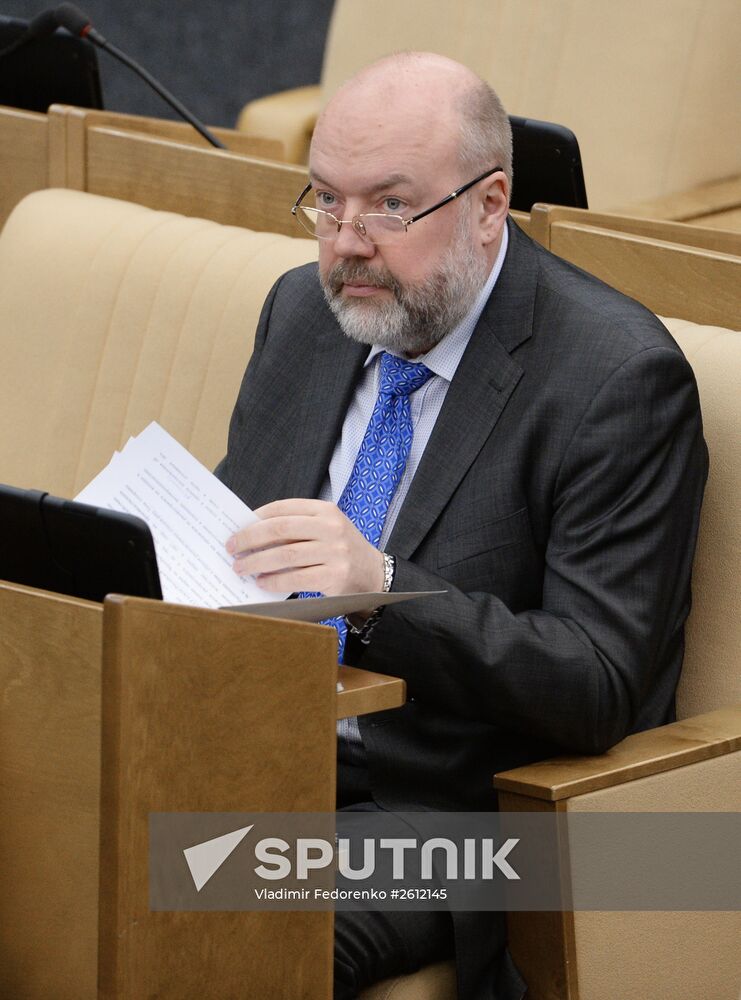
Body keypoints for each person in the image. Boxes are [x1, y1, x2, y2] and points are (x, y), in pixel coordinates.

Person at [215, 52, 707, 1000]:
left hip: (463, 820)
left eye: (390, 206)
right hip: (262, 750)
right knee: (52, 843)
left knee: (218, 897)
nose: (347, 241)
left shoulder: (614, 380)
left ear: (488, 206)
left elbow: (598, 682)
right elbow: (245, 541)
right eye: (326, 199)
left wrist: (379, 591)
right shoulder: (304, 313)